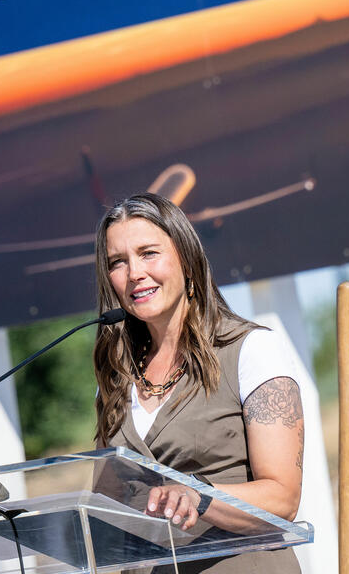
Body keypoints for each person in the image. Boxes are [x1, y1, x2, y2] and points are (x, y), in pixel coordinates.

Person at [92, 192, 304, 573]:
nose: (134, 272)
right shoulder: (116, 376)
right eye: (117, 262)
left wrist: (198, 495)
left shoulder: (251, 349)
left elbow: (283, 498)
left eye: (148, 253)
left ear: (187, 259)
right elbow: (105, 509)